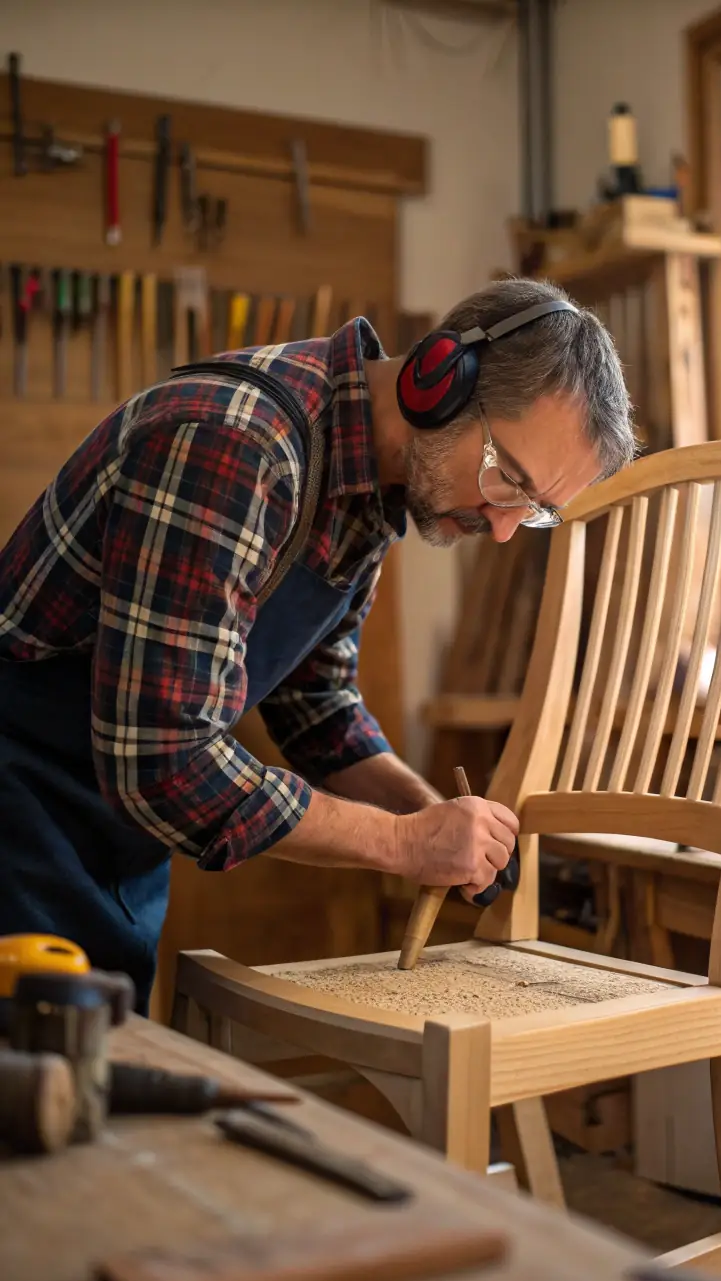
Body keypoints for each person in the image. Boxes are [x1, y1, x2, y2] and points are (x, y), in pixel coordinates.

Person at [0, 277, 636, 1010]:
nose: (499, 528)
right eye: (507, 479)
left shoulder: (366, 488)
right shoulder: (238, 444)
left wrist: (425, 813)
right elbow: (163, 762)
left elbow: (317, 705)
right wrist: (405, 845)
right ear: (438, 380)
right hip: (20, 806)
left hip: (109, 842)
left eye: (532, 512)